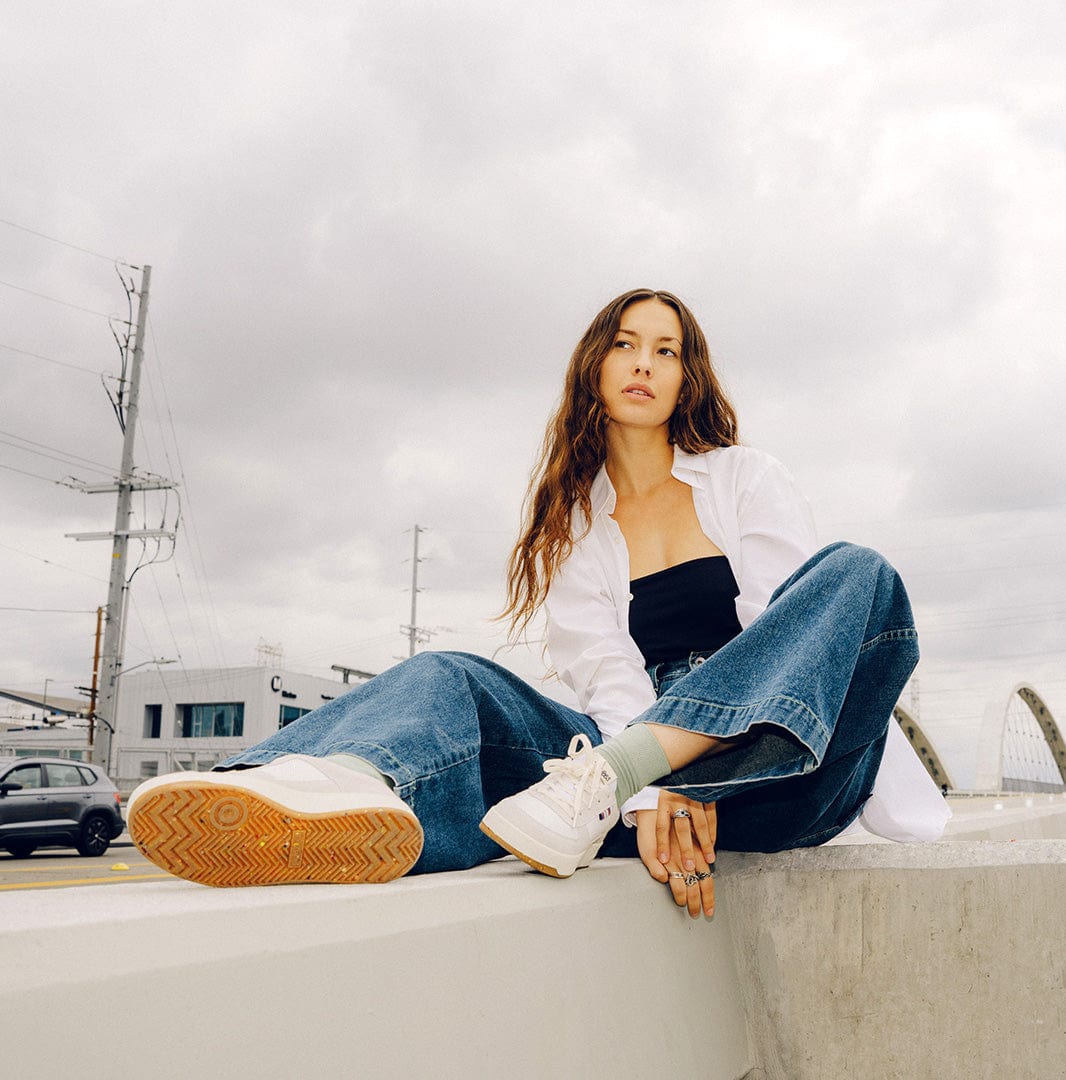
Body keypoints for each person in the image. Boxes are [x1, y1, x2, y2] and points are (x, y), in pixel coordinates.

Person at [127, 288, 949, 918]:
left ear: (686, 376)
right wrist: (648, 793)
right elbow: (607, 678)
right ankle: (329, 784)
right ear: (596, 365)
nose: (643, 363)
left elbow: (790, 642)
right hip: (629, 787)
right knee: (451, 675)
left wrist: (650, 777)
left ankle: (607, 780)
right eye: (626, 344)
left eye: (666, 350)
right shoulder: (577, 532)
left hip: (777, 767)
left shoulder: (744, 478)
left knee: (859, 574)